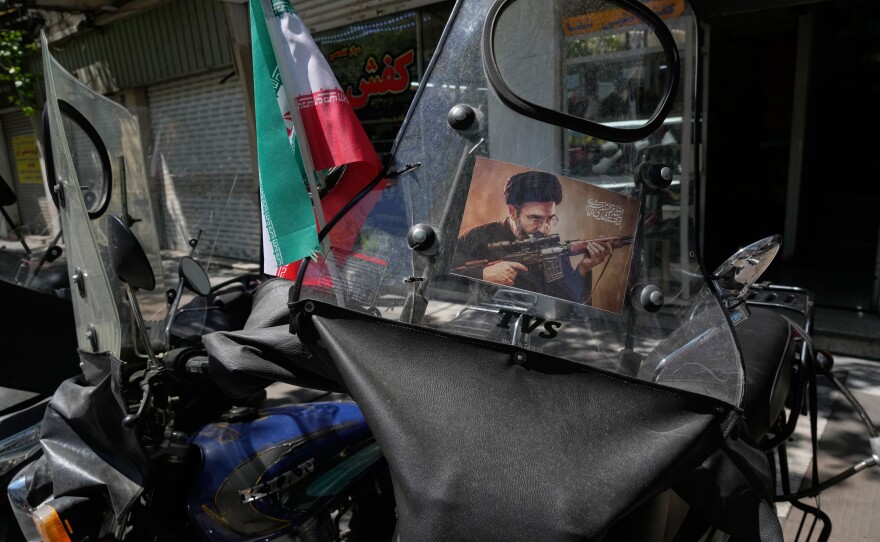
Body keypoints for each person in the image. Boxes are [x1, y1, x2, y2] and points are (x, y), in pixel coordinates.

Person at [452, 170, 613, 304]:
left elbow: (571, 306)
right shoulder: (477, 238)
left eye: (549, 219)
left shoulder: (552, 248)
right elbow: (443, 280)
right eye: (535, 218)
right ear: (513, 212)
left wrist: (583, 269)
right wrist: (483, 275)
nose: (544, 229)